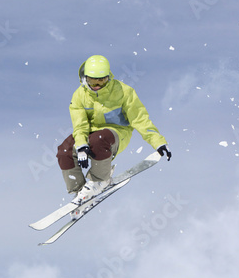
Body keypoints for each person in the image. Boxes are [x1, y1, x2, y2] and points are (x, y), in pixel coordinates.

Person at [56, 55, 171, 208]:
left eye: (101, 80)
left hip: (116, 134)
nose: (97, 85)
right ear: (85, 79)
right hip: (90, 133)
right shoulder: (79, 96)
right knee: (64, 151)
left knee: (99, 139)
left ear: (108, 77)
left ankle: (100, 181)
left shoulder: (124, 92)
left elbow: (139, 118)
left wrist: (158, 142)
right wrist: (82, 146)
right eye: (92, 81)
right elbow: (80, 125)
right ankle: (81, 194)